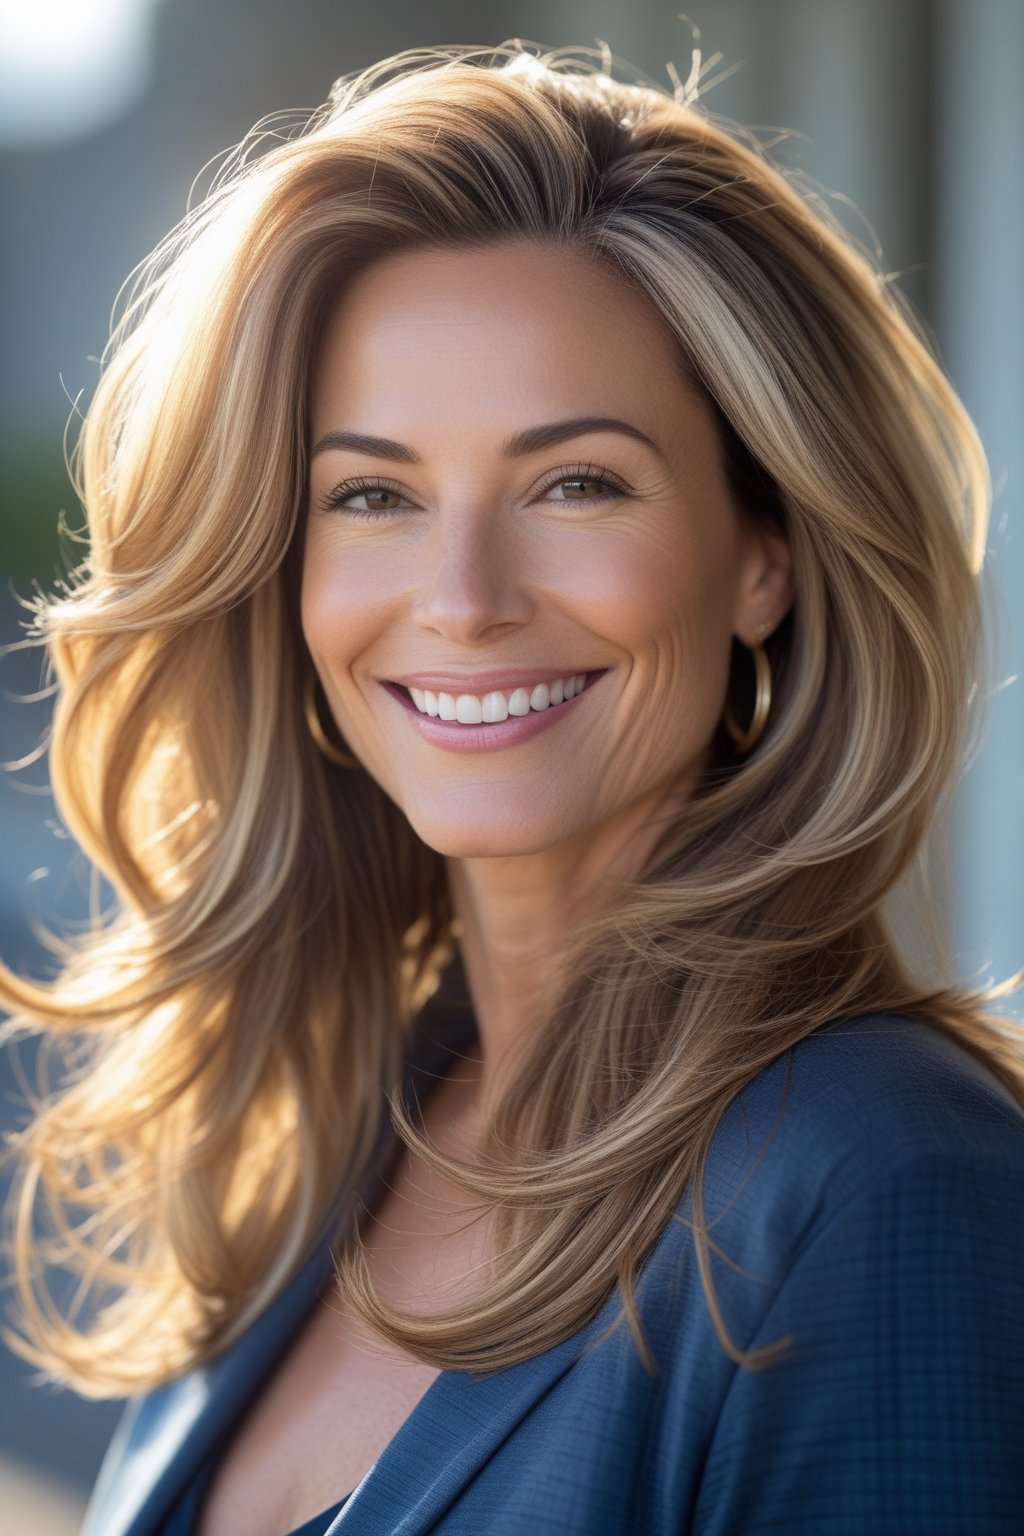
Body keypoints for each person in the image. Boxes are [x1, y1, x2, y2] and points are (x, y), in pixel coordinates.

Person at [2, 37, 1023, 1536]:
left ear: (765, 551)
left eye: (577, 482)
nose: (464, 599)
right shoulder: (341, 1134)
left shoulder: (885, 1187)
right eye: (373, 496)